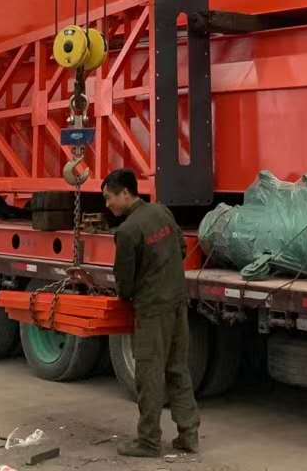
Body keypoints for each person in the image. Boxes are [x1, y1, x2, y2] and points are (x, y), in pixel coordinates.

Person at [103, 169, 200, 458]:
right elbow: (181, 248)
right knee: (178, 369)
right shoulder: (162, 212)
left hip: (152, 310)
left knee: (149, 375)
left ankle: (148, 441)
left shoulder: (127, 231)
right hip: (178, 303)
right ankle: (189, 434)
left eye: (109, 198)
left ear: (125, 193)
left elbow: (124, 280)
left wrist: (128, 296)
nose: (107, 205)